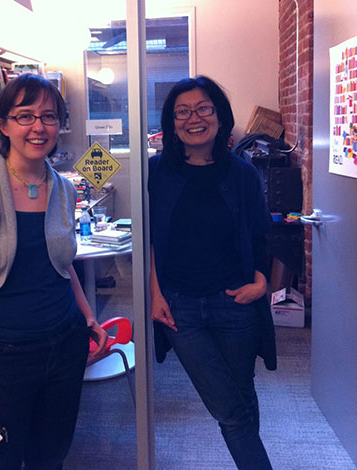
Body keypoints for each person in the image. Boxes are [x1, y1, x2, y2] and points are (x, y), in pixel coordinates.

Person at [0, 73, 108, 470]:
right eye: (25, 115)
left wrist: (88, 317)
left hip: (64, 347)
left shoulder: (64, 189)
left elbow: (62, 265)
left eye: (49, 116)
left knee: (50, 456)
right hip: (0, 359)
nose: (38, 126)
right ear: (3, 125)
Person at [148, 76, 276, 470]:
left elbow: (260, 234)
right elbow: (151, 239)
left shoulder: (242, 173)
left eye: (204, 108)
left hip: (235, 304)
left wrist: (262, 282)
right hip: (180, 309)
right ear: (171, 123)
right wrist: (155, 294)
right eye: (182, 112)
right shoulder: (157, 172)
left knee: (241, 394)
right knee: (230, 408)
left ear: (220, 116)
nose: (194, 118)